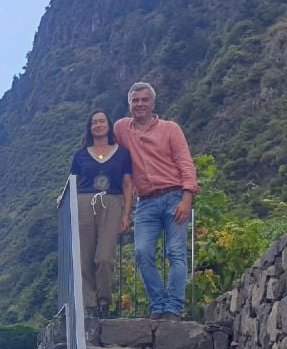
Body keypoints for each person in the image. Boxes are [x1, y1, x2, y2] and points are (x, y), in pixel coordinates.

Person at [113, 82, 199, 320]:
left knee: (176, 252)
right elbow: (105, 152)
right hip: (145, 202)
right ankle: (158, 304)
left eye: (144, 100)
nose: (140, 104)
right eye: (135, 100)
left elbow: (185, 163)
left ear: (153, 103)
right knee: (142, 252)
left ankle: (173, 308)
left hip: (174, 196)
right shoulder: (121, 128)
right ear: (129, 104)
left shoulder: (170, 129)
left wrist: (187, 197)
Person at [69, 109, 132, 317]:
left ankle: (104, 301)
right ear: (89, 128)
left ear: (109, 125)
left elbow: (127, 184)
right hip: (84, 203)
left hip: (112, 202)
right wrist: (64, 198)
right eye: (94, 122)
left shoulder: (122, 153)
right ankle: (90, 305)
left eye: (102, 121)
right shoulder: (80, 155)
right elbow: (73, 181)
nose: (98, 125)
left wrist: (126, 214)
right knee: (84, 257)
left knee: (105, 257)